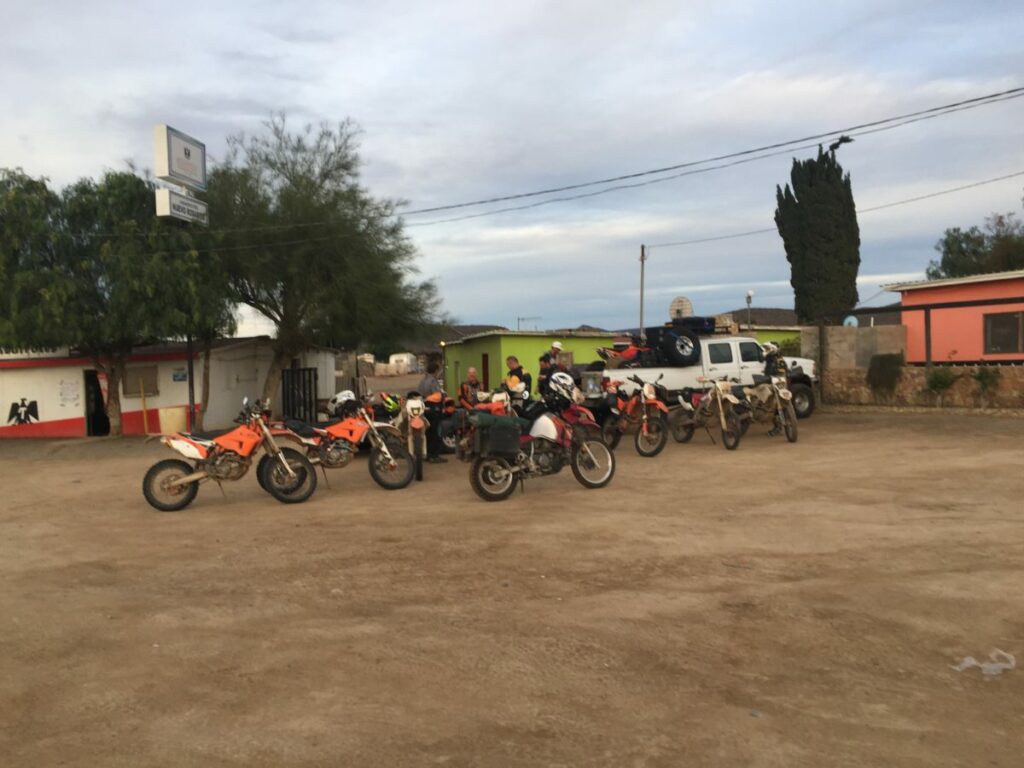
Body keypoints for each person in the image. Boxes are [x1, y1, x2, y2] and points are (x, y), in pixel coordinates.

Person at [416, 362, 447, 462]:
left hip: (424, 409)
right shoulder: (433, 381)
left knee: (428, 433)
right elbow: (437, 395)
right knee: (436, 432)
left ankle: (428, 454)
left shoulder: (422, 381)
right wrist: (443, 395)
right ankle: (434, 455)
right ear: (436, 371)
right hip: (434, 409)